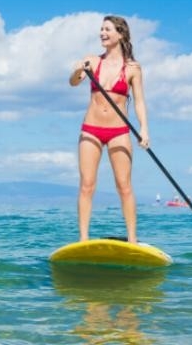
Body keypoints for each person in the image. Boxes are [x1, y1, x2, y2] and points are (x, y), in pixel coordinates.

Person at [69, 15, 149, 243]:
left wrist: (144, 129)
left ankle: (132, 240)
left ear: (120, 34)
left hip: (119, 132)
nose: (102, 33)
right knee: (87, 185)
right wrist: (77, 70)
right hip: (91, 129)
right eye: (101, 29)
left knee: (124, 186)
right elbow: (74, 82)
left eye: (107, 29)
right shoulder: (92, 61)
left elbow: (140, 102)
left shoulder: (133, 68)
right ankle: (83, 240)